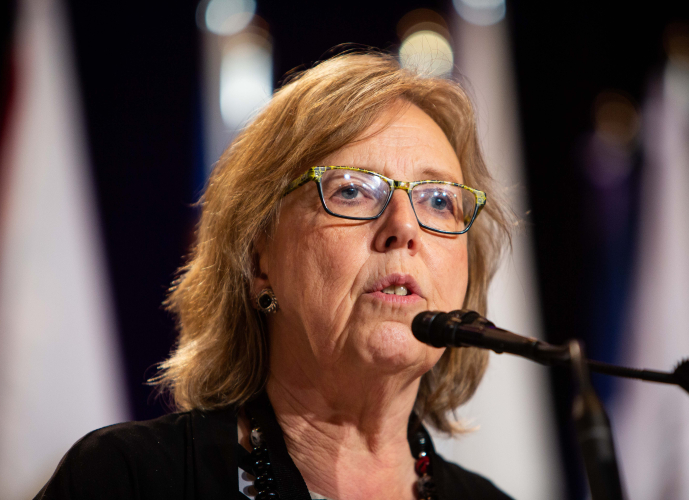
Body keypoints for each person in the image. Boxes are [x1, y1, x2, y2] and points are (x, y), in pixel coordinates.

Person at [35, 52, 514, 500]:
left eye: (438, 200)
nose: (404, 228)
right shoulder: (126, 480)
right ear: (259, 260)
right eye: (351, 190)